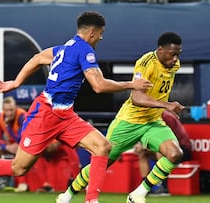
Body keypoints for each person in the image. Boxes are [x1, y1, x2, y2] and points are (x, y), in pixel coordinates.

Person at [0, 11, 152, 203]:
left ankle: (91, 200)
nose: (101, 38)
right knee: (19, 168)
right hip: (44, 114)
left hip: (65, 115)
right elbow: (99, 86)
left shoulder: (64, 48)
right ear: (92, 32)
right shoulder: (84, 50)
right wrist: (131, 84)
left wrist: (16, 83)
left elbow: (38, 58)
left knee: (102, 147)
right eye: (100, 33)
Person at [57, 32, 185, 203]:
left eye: (178, 54)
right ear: (160, 50)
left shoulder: (174, 65)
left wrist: (163, 106)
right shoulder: (146, 63)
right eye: (172, 54)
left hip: (153, 122)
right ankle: (68, 194)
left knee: (175, 153)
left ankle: (138, 194)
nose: (176, 59)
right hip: (128, 123)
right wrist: (166, 105)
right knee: (102, 162)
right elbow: (137, 98)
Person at [134, 109, 192, 195]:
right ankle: (145, 188)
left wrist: (147, 146)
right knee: (142, 153)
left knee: (161, 151)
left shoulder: (167, 117)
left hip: (182, 150)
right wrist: (141, 145)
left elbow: (170, 143)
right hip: (167, 149)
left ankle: (164, 187)